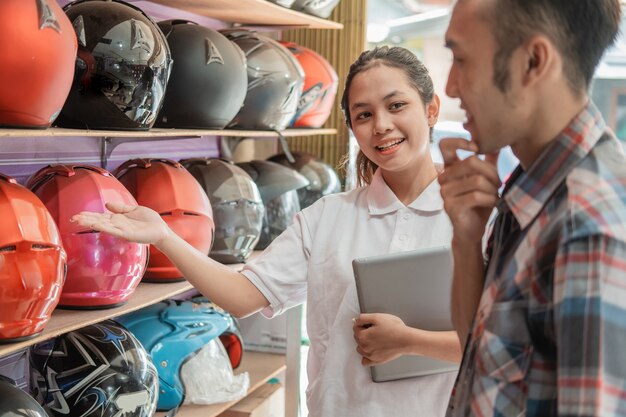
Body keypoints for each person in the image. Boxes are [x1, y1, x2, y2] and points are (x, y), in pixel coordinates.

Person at [73, 46, 461, 417]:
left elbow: (511, 342)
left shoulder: (479, 217)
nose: (381, 126)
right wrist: (165, 237)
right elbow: (243, 297)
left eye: (396, 106)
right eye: (363, 115)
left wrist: (410, 341)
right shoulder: (328, 217)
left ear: (430, 110)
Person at [437, 0, 626, 416]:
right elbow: (483, 359)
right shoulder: (532, 185)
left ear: (533, 62)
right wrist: (467, 241)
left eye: (462, 59)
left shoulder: (587, 226)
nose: (450, 87)